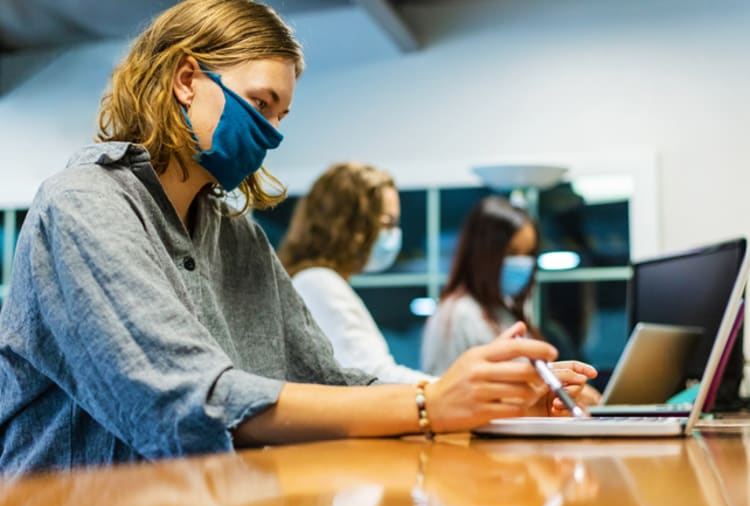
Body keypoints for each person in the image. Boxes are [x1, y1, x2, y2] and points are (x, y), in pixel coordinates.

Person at [0, 0, 592, 476]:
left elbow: (329, 382)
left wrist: (494, 399)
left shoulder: (236, 235)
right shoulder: (83, 206)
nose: (272, 132)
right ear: (186, 79)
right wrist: (430, 405)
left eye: (281, 114)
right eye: (261, 103)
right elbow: (189, 404)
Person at [421, 196, 601, 403]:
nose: (521, 263)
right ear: (483, 253)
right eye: (511, 252)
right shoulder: (456, 315)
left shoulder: (503, 311)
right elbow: (447, 400)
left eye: (528, 254)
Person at [278, 162, 431, 384]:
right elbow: (370, 378)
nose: (393, 234)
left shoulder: (319, 281)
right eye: (387, 223)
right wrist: (448, 389)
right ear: (350, 226)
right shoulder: (317, 282)